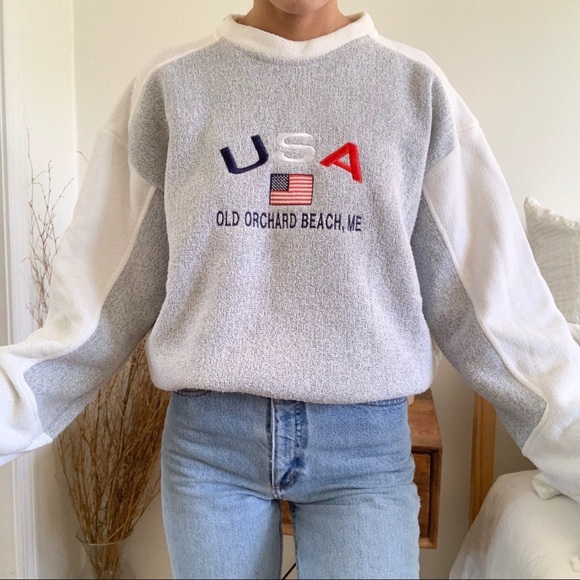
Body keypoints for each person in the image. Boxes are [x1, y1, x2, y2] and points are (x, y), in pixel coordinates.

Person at [1, 1, 579, 578]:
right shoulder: (171, 87)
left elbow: (495, 310)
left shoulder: (415, 89)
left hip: (363, 452)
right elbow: (97, 308)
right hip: (211, 449)